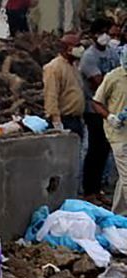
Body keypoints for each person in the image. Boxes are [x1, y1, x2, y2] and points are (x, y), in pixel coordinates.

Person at [80, 19, 119, 198]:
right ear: (95, 34)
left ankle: (97, 189)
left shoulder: (111, 52)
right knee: (95, 150)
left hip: (110, 109)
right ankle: (89, 190)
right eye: (104, 32)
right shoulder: (89, 57)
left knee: (104, 150)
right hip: (93, 109)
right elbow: (99, 83)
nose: (107, 36)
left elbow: (119, 75)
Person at [93, 47, 127, 213]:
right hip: (119, 135)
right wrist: (110, 117)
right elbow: (97, 103)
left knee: (123, 177)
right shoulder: (114, 77)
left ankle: (119, 213)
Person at [44, 34, 86, 138]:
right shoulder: (54, 67)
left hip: (76, 119)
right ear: (67, 48)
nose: (80, 49)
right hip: (65, 119)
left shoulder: (73, 66)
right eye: (77, 46)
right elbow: (51, 95)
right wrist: (56, 122)